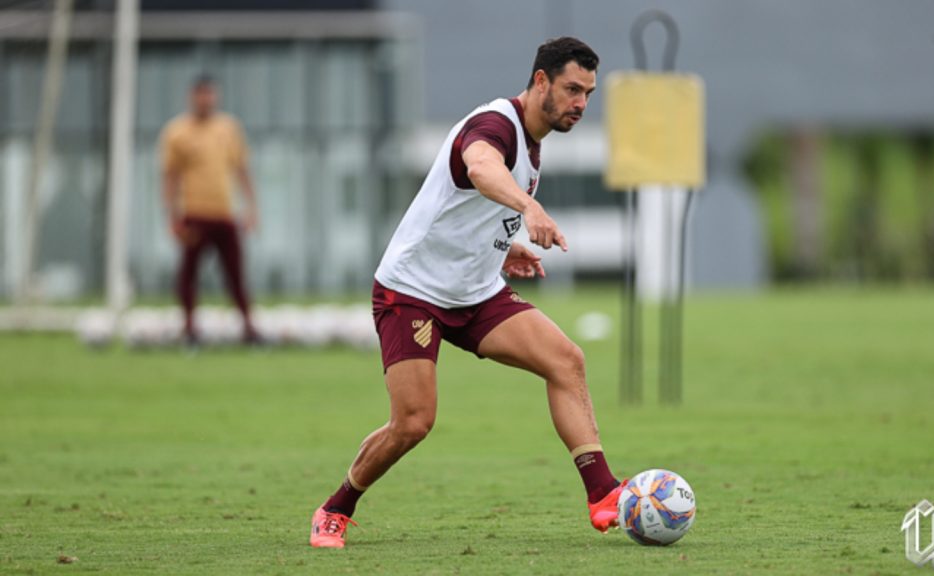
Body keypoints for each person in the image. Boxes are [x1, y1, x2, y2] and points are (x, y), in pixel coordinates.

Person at [310, 37, 625, 549]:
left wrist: (505, 247)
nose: (581, 104)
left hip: (475, 294)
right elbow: (480, 169)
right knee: (413, 422)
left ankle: (604, 494)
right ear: (540, 80)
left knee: (566, 360)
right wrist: (529, 208)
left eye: (588, 93)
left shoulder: (534, 142)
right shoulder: (495, 124)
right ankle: (335, 508)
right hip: (412, 292)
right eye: (572, 89)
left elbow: (464, 207)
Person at [160, 74, 260, 345]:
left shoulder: (228, 129)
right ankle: (190, 328)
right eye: (201, 94)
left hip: (224, 213)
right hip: (193, 213)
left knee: (236, 274)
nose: (206, 100)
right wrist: (171, 217)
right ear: (192, 97)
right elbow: (170, 177)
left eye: (210, 94)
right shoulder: (177, 132)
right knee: (189, 274)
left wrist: (251, 208)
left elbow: (241, 170)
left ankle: (249, 328)